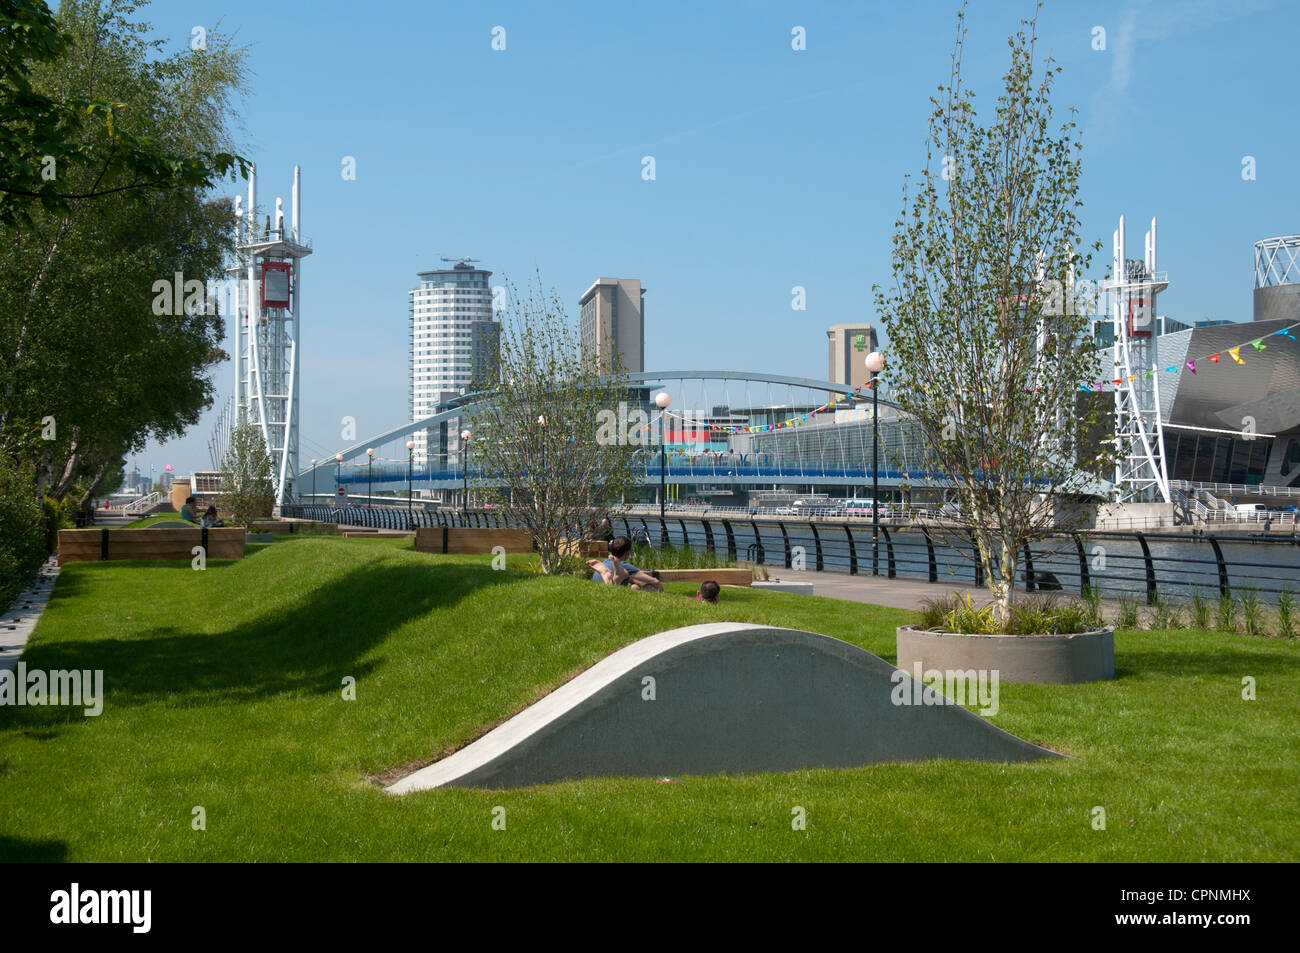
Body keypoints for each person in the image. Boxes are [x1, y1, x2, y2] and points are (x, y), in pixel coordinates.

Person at [587, 535, 662, 592]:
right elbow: (655, 582)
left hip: (602, 591)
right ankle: (616, 578)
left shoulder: (605, 562)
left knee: (634, 586)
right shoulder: (624, 566)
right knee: (640, 587)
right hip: (613, 594)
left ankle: (608, 575)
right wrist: (660, 591)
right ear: (627, 553)